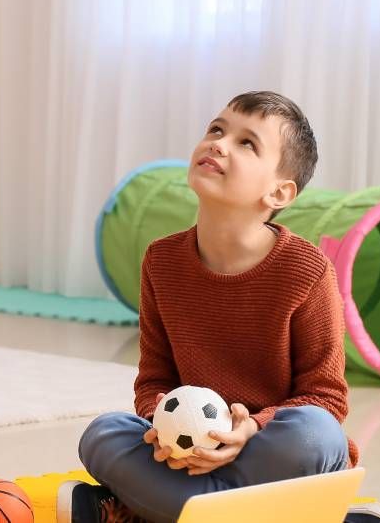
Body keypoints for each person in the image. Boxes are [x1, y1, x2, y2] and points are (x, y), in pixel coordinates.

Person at [59, 92, 356, 523]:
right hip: (187, 453)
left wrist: (250, 428)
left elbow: (327, 398)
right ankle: (243, 513)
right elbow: (154, 380)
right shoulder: (161, 262)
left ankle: (156, 509)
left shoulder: (307, 271)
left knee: (316, 433)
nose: (219, 143)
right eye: (217, 129)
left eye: (246, 143)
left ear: (279, 192)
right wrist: (162, 430)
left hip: (268, 449)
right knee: (103, 434)